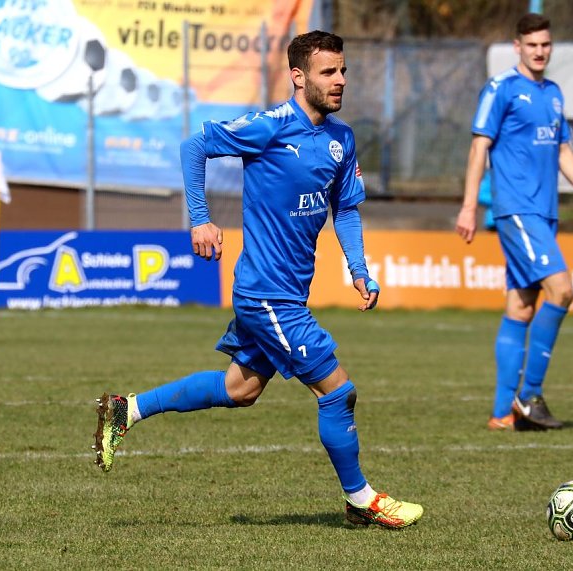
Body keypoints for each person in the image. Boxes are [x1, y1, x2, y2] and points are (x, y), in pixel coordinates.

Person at [92, 30, 423, 530]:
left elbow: (347, 210)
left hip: (287, 293)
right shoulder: (269, 127)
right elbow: (195, 144)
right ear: (298, 76)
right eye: (328, 72)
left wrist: (358, 268)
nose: (340, 80)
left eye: (343, 70)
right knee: (337, 390)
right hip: (267, 295)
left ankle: (126, 410)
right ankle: (361, 499)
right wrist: (200, 217)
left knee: (241, 389)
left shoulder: (342, 140)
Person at [455, 14, 573, 432]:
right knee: (562, 290)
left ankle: (502, 413)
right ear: (517, 46)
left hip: (546, 212)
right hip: (516, 209)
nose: (540, 51)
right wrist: (470, 206)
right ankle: (529, 396)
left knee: (521, 305)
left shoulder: (554, 93)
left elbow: (562, 152)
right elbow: (478, 148)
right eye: (532, 44)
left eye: (546, 44)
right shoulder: (501, 89)